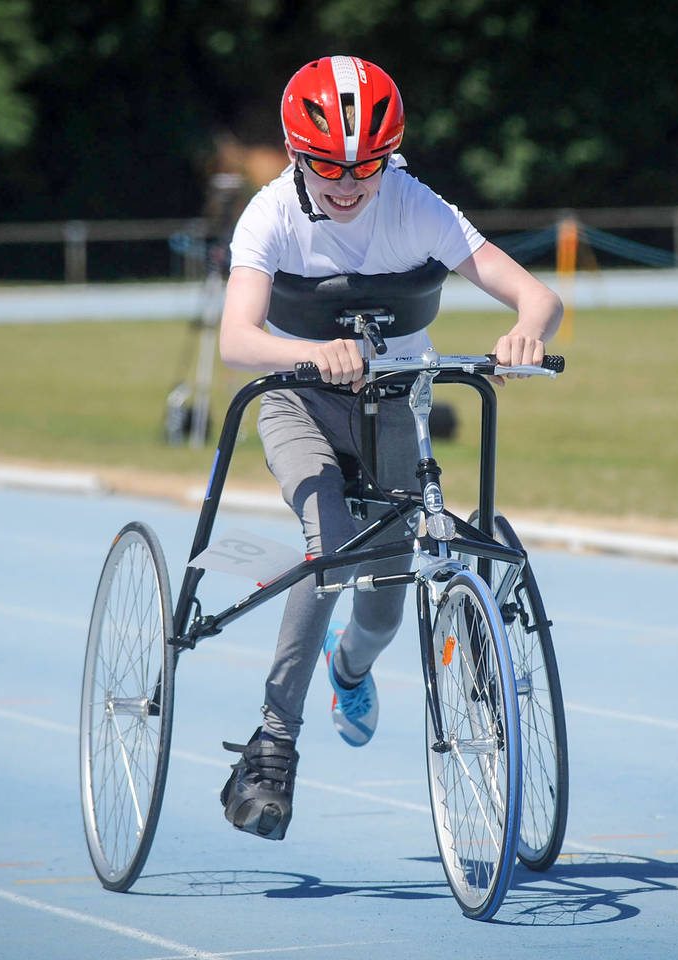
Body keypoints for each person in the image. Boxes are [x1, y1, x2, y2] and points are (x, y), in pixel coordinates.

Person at [216, 55, 562, 841]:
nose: (346, 184)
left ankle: (350, 669)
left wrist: (523, 334)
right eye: (328, 167)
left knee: (382, 599)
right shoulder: (268, 215)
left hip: (395, 404)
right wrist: (308, 357)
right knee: (332, 551)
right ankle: (272, 744)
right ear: (296, 154)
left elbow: (537, 295)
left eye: (364, 169)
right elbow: (238, 339)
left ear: (388, 159)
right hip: (297, 400)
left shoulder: (415, 205)